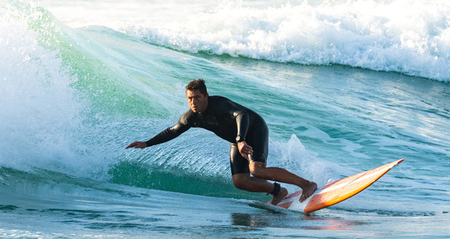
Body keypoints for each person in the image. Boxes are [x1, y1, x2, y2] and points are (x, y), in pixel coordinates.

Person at [126, 79, 317, 205]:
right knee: (239, 181)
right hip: (237, 140)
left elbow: (241, 114)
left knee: (256, 170)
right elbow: (173, 131)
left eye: (197, 98)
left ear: (206, 96)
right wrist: (146, 143)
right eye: (190, 99)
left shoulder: (220, 104)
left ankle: (306, 184)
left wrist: (241, 140)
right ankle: (278, 192)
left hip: (254, 128)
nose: (194, 102)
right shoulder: (190, 117)